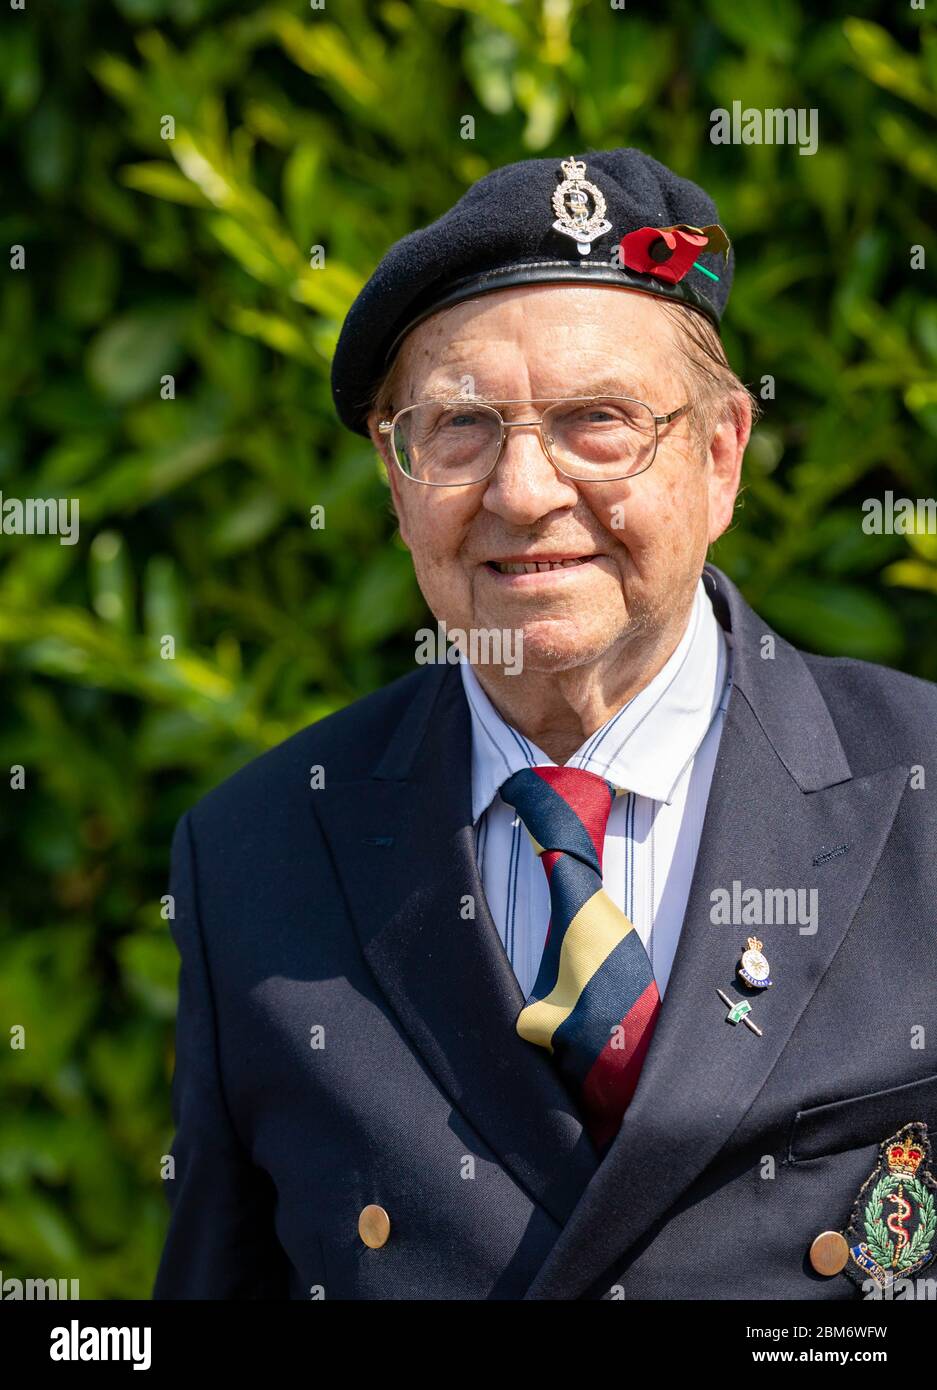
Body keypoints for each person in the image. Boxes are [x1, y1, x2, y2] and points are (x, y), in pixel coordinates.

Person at [153, 149, 937, 1300]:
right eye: (460, 427)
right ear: (395, 475)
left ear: (719, 456)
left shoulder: (919, 796)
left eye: (598, 421)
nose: (523, 491)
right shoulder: (254, 859)